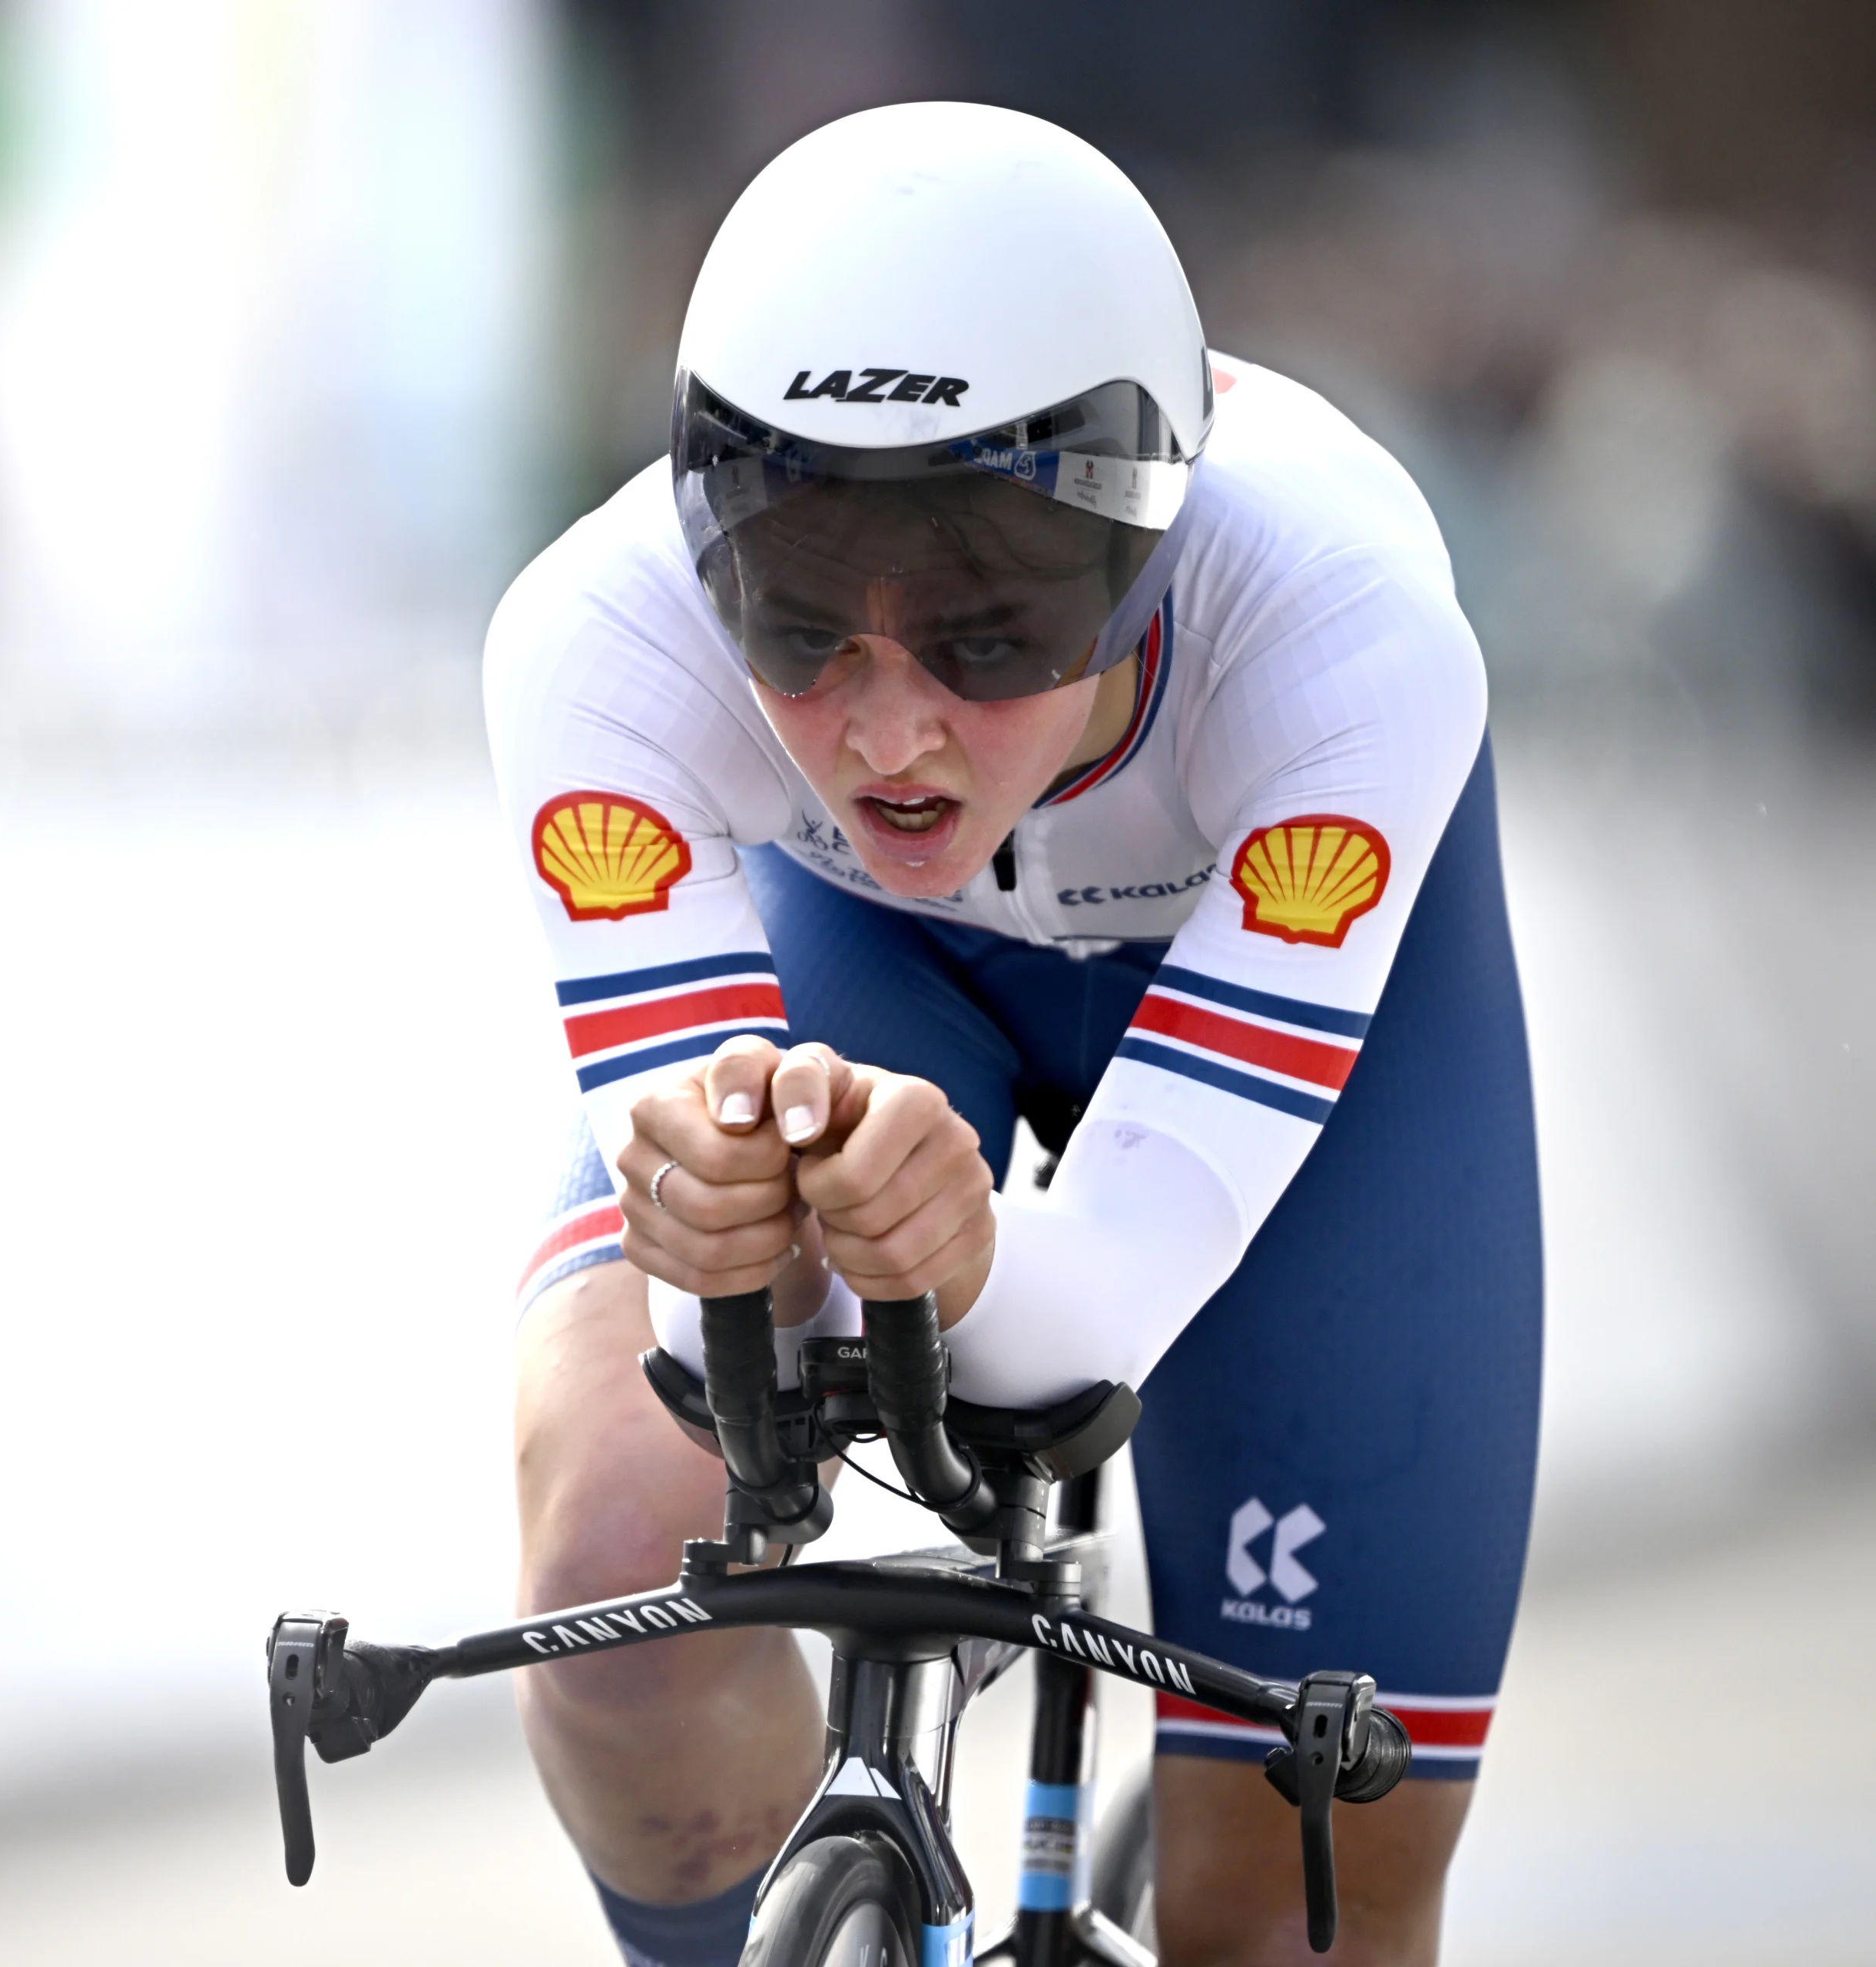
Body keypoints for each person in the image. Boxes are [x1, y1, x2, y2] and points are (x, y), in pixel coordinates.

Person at [487, 103, 1537, 1967]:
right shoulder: (600, 639)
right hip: (877, 959)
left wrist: (965, 1253)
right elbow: (717, 1333)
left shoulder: (1341, 631)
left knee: (1303, 1885)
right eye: (799, 623)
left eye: (987, 634)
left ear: (1145, 549)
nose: (889, 733)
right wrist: (741, 1230)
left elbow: (1096, 1304)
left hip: (1277, 1033)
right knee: (616, 1542)